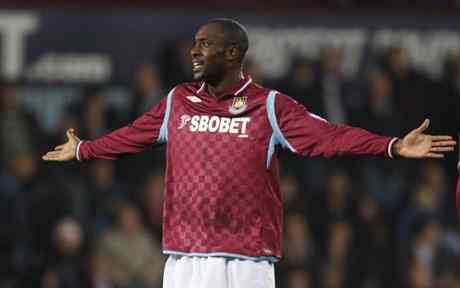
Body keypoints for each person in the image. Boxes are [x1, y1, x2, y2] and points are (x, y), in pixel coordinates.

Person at [42, 18, 456, 288]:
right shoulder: (177, 101)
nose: (194, 52)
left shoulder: (269, 106)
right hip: (184, 259)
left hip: (246, 263)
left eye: (205, 45)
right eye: (194, 44)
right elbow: (132, 135)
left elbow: (328, 136)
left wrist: (391, 146)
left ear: (233, 54)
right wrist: (84, 151)